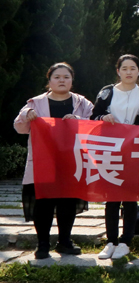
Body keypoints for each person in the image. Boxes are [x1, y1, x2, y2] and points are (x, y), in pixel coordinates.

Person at [14, 62, 93, 260]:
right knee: (43, 203)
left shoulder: (82, 103)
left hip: (72, 160)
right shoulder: (35, 103)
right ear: (49, 80)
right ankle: (42, 244)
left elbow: (94, 126)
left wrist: (78, 120)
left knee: (68, 201)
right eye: (57, 77)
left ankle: (64, 241)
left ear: (72, 80)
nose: (61, 80)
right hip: (44, 161)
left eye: (66, 77)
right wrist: (27, 115)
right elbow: (19, 126)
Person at [91, 54, 139, 260]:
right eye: (124, 68)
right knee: (112, 197)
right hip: (111, 150)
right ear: (118, 71)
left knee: (130, 198)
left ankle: (126, 241)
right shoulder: (107, 92)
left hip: (135, 151)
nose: (128, 72)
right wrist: (103, 117)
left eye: (133, 68)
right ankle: (111, 241)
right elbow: (93, 117)